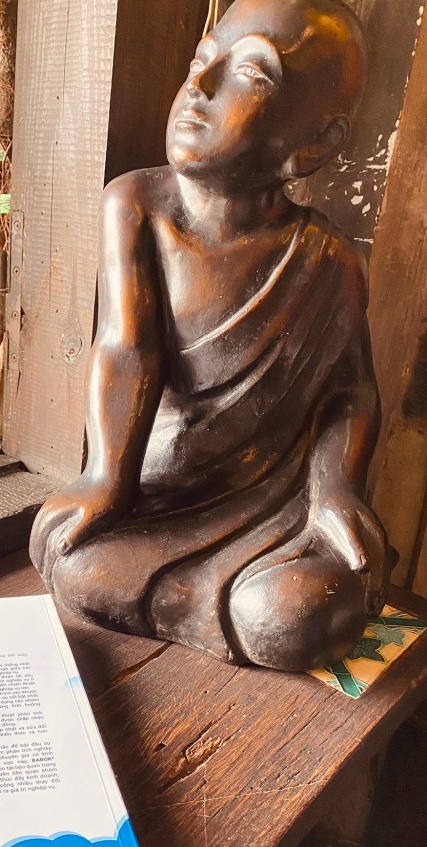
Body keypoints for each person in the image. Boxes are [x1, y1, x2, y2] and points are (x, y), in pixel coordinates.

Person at [30, 0, 390, 672]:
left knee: (306, 609)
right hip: (159, 498)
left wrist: (337, 492)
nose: (199, 85)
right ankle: (226, 612)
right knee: (71, 557)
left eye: (250, 74)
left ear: (314, 142)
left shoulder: (330, 261)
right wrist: (106, 478)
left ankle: (244, 611)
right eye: (202, 61)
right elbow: (126, 350)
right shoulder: (136, 205)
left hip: (274, 509)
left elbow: (351, 394)